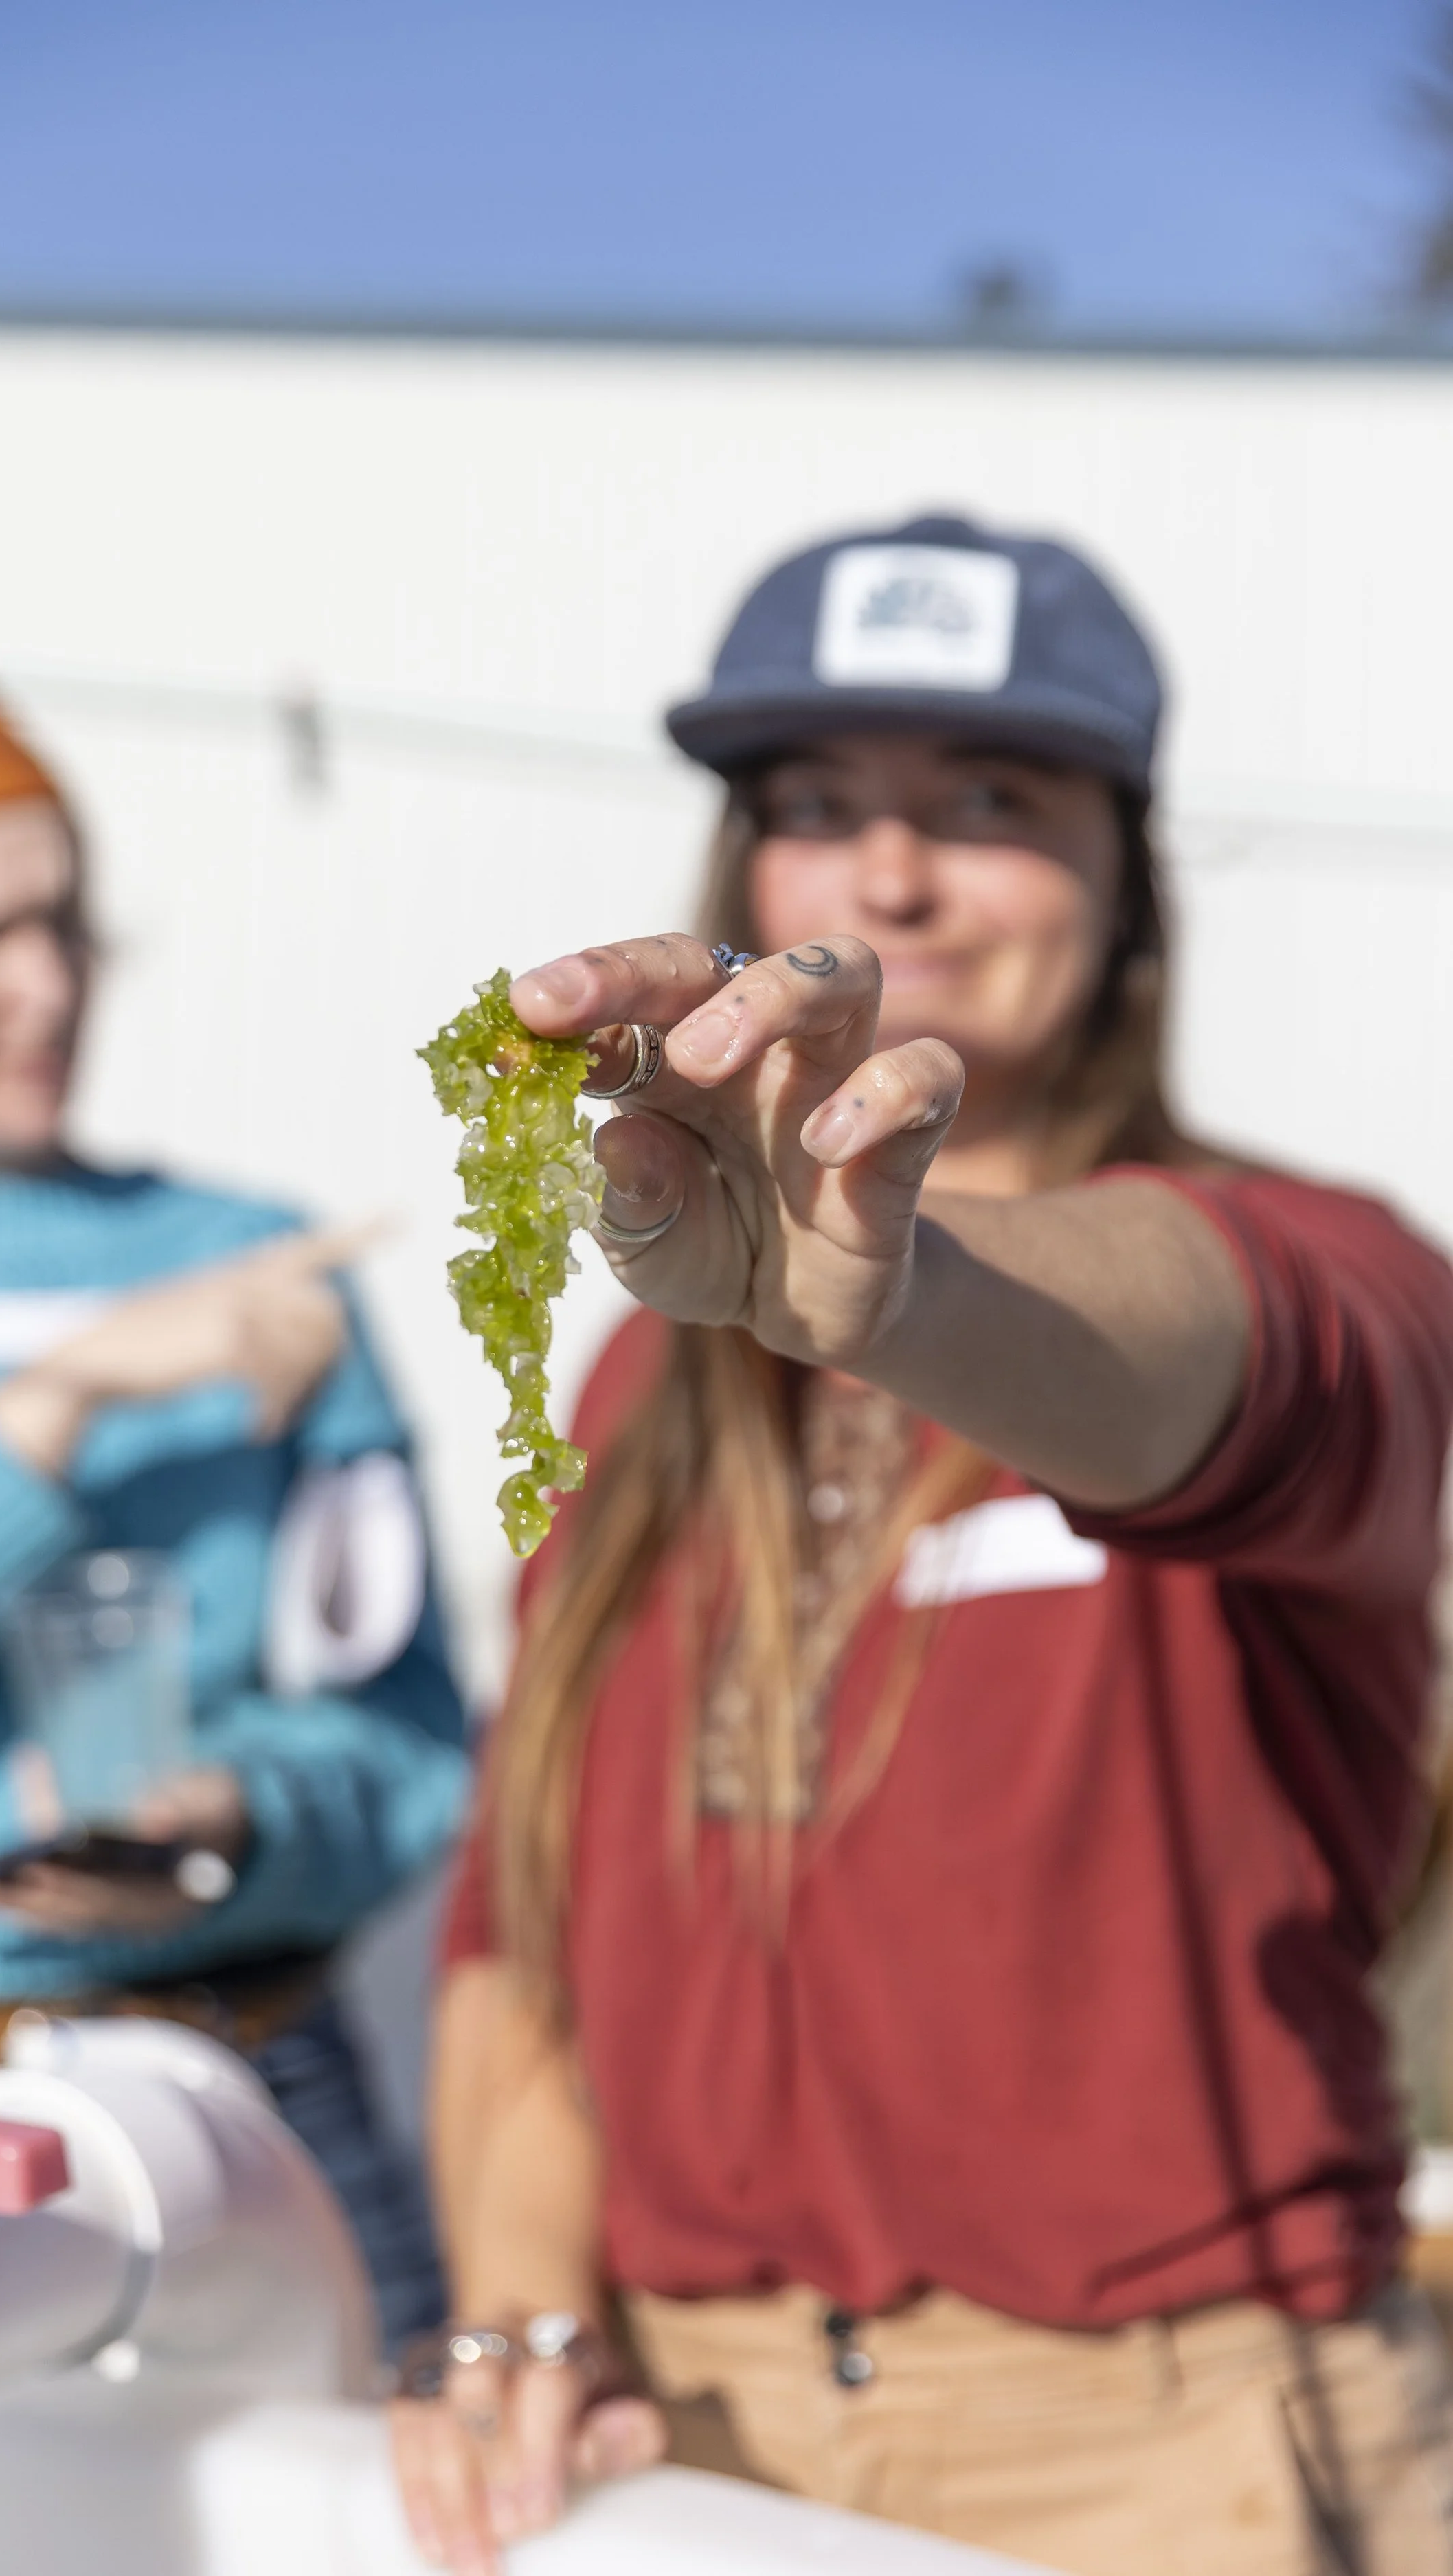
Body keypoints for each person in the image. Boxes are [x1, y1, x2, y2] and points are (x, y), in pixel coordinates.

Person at [390, 517, 1453, 2571]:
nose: (890, 874)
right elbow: (520, 1918)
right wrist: (525, 2307)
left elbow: (1212, 1346)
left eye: (988, 800)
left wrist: (910, 1289)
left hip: (1175, 2443)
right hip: (687, 2442)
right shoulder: (634, 1385)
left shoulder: (1329, 1270)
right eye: (814, 805)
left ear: (1125, 883)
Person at [0, 651, 466, 2351]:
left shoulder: (260, 1267)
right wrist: (51, 1406)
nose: (47, 984)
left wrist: (239, 1824)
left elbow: (412, 1739)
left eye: (66, 923)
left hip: (252, 2075)